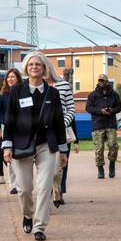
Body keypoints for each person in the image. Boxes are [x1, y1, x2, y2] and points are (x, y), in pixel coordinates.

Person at [2, 51, 68, 241]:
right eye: (31, 64)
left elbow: (58, 122)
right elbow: (9, 119)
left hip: (46, 145)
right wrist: (7, 146)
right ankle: (27, 214)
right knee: (24, 189)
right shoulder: (17, 91)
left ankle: (40, 226)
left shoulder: (52, 93)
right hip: (22, 144)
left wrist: (63, 150)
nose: (34, 67)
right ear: (26, 68)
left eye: (38, 64)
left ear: (44, 68)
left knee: (45, 186)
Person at [46, 64, 75, 208]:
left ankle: (58, 190)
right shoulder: (35, 87)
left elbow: (71, 109)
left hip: (60, 132)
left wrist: (61, 123)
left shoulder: (63, 86)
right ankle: (46, 199)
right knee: (44, 167)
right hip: (42, 133)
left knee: (59, 167)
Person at [85, 74, 121, 179]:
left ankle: (112, 164)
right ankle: (100, 169)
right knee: (99, 148)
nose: (101, 82)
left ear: (107, 82)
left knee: (113, 145)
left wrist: (112, 110)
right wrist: (100, 111)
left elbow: (119, 107)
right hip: (98, 124)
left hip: (110, 124)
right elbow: (88, 108)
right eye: (100, 80)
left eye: (103, 81)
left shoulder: (114, 95)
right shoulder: (93, 95)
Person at [0, 68, 22, 194]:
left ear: (18, 79)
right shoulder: (3, 94)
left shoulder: (23, 92)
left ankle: (20, 182)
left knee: (19, 156)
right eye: (8, 77)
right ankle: (14, 184)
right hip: (6, 127)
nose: (10, 79)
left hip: (21, 128)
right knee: (5, 153)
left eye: (13, 77)